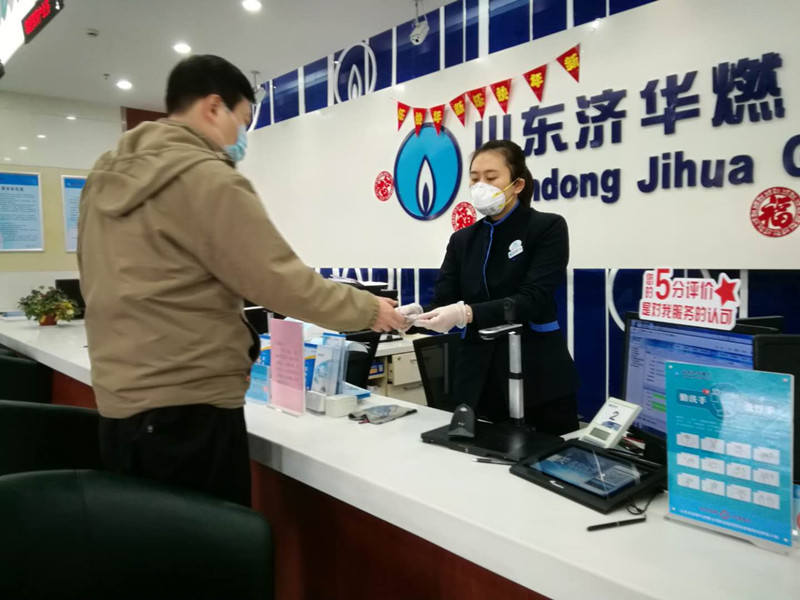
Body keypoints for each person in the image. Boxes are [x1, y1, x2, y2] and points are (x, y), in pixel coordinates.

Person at [78, 55, 406, 506]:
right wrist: (369, 309)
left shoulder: (105, 177)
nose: (242, 137)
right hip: (189, 407)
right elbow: (279, 281)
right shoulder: (205, 177)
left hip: (120, 404)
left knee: (148, 544)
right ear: (214, 107)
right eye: (244, 121)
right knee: (205, 545)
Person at [400, 140, 579, 435]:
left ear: (517, 184)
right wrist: (415, 315)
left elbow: (533, 299)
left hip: (538, 374)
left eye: (491, 177)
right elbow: (445, 301)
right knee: (475, 456)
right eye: (474, 178)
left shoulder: (547, 227)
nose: (480, 185)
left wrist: (466, 314)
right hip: (478, 378)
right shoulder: (463, 240)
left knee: (549, 455)